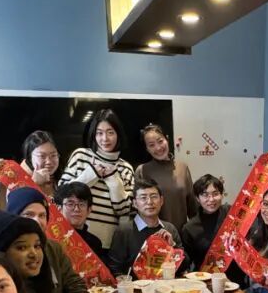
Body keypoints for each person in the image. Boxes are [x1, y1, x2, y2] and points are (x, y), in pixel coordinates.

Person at [0, 199, 91, 293]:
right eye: (29, 215)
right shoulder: (2, 289)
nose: (37, 221)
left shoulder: (51, 250)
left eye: (42, 215)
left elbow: (79, 289)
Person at [59, 110, 135, 248]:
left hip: (108, 243)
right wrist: (91, 174)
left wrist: (114, 180)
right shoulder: (80, 156)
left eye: (110, 132)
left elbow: (125, 210)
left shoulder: (126, 168)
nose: (105, 138)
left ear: (118, 134)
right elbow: (61, 194)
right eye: (99, 133)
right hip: (73, 237)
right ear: (94, 135)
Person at [107, 179, 184, 278]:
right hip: (134, 286)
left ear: (161, 201)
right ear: (135, 203)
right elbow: (114, 269)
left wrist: (172, 246)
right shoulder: (124, 231)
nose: (149, 202)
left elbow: (183, 267)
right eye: (143, 198)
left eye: (154, 197)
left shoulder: (170, 228)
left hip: (166, 286)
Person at [135, 123, 195, 231]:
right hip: (152, 235)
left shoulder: (182, 168)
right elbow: (136, 209)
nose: (158, 148)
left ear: (167, 139)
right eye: (151, 145)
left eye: (160, 141)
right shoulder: (143, 170)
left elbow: (192, 207)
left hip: (180, 233)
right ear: (147, 149)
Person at [0, 130, 61, 210]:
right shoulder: (14, 179)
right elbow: (2, 214)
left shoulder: (60, 177)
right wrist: (34, 184)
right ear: (29, 157)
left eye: (53, 155)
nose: (49, 161)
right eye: (42, 156)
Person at [55, 181, 111, 268]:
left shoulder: (94, 243)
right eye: (70, 204)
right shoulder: (52, 238)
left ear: (89, 210)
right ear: (59, 209)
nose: (76, 209)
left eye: (81, 204)